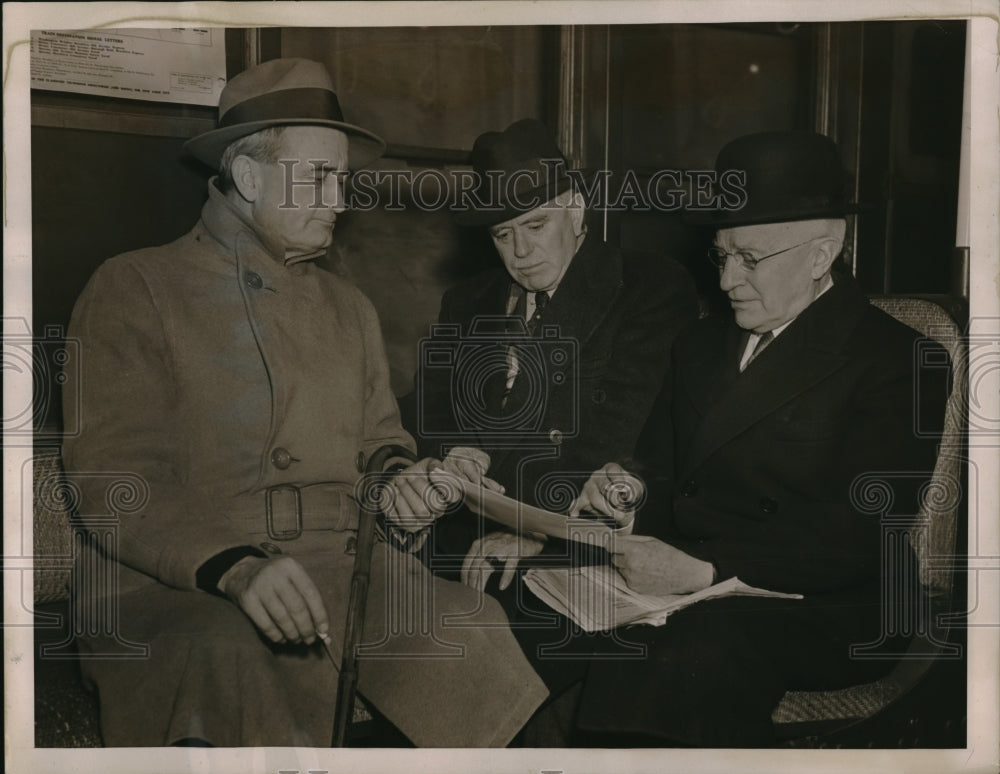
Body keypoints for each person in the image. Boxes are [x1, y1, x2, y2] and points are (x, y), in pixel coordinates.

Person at [61, 57, 547, 748]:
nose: (339, 200)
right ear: (249, 175)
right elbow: (113, 477)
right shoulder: (136, 287)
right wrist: (236, 568)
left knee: (468, 630)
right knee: (226, 656)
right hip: (177, 583)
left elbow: (382, 442)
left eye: (342, 180)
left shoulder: (349, 307)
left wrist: (399, 486)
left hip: (341, 570)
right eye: (319, 178)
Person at [530, 131, 950, 746]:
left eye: (750, 259)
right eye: (720, 255)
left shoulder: (901, 359)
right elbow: (661, 468)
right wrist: (626, 490)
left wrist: (704, 571)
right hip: (689, 581)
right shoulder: (700, 344)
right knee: (526, 613)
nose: (728, 280)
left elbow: (858, 536)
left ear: (820, 254)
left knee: (680, 654)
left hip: (833, 602)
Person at [402, 118, 698, 588]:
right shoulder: (466, 301)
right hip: (459, 529)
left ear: (577, 211)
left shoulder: (649, 287)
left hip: (576, 539)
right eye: (502, 234)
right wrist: (451, 452)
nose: (520, 250)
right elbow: (425, 410)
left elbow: (627, 431)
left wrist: (542, 533)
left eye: (535, 225)